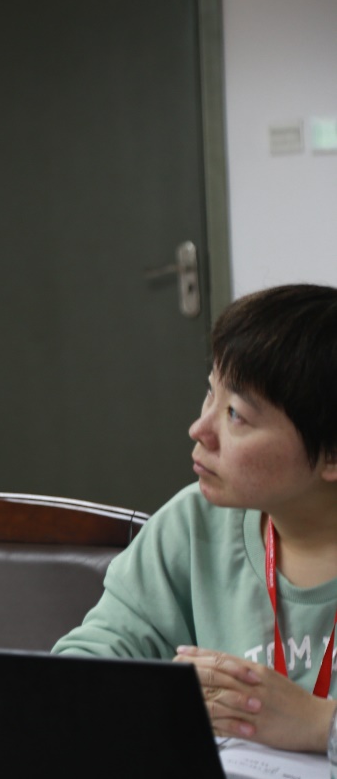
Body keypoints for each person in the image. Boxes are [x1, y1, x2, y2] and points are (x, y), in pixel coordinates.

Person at [53, 283, 337, 753]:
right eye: (210, 394)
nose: (200, 429)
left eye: (236, 415)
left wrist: (320, 724)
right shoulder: (193, 522)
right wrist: (153, 697)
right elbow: (82, 668)